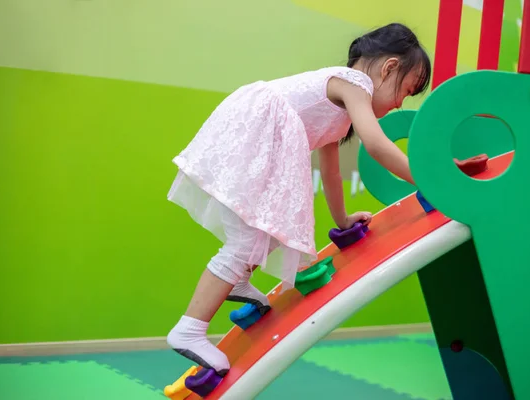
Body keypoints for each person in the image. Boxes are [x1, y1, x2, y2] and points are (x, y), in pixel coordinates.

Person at [166, 22, 431, 376]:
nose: (399, 104)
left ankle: (238, 280)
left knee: (267, 222)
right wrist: (429, 178)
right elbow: (378, 145)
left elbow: (332, 172)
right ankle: (190, 328)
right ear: (389, 68)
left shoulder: (340, 108)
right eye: (406, 91)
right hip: (258, 129)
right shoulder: (355, 83)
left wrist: (342, 219)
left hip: (261, 133)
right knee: (250, 237)